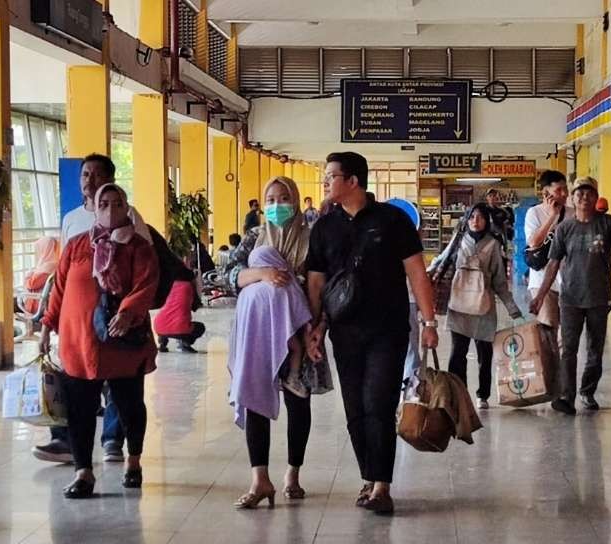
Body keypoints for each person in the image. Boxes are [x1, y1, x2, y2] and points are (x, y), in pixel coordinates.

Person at [305, 152, 438, 515]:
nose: (326, 182)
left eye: (331, 176)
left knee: (378, 404)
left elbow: (417, 273)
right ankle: (369, 475)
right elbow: (315, 283)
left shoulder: (392, 220)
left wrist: (428, 323)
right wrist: (313, 328)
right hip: (344, 334)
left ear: (353, 181)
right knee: (354, 410)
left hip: (388, 330)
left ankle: (382, 485)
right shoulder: (323, 227)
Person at [40, 184, 159, 497]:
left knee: (129, 406)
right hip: (79, 343)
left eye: (117, 203)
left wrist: (129, 311)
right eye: (103, 203)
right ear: (93, 206)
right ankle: (84, 472)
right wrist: (46, 326)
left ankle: (133, 461)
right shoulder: (78, 245)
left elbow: (147, 283)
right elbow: (60, 289)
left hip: (121, 342)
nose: (110, 209)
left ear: (126, 208)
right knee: (79, 410)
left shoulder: (137, 246)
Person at [224, 176, 333, 509]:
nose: (275, 205)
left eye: (283, 198)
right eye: (269, 199)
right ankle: (260, 479)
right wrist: (262, 275)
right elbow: (226, 276)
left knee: (298, 404)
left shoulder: (313, 240)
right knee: (255, 400)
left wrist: (319, 327)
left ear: (297, 200)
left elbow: (324, 288)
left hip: (301, 333)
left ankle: (292, 474)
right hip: (259, 334)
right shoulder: (254, 238)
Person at [32, 153, 129, 465]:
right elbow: (62, 276)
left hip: (113, 316)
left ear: (110, 180)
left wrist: (130, 309)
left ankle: (113, 439)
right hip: (77, 321)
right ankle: (67, 442)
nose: (89, 180)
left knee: (115, 380)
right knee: (75, 382)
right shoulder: (72, 220)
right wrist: (48, 323)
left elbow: (143, 266)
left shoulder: (129, 217)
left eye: (96, 175)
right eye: (85, 174)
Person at [530, 177, 611, 416]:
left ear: (596, 198)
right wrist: (541, 295)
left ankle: (587, 391)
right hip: (570, 298)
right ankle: (566, 396)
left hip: (599, 298)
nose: (584, 197)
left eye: (589, 193)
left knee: (595, 349)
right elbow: (553, 264)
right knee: (569, 349)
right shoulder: (565, 228)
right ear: (572, 199)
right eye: (579, 194)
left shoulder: (608, 223)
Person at [428, 203, 522, 409]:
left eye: (480, 217)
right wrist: (422, 275)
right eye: (472, 217)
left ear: (487, 220)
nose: (475, 221)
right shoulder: (459, 240)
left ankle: (483, 395)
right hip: (459, 306)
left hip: (484, 307)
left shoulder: (494, 245)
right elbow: (441, 260)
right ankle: (457, 394)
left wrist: (512, 308)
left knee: (484, 353)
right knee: (457, 354)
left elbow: (499, 281)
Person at [524, 170, 568, 369]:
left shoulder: (573, 213)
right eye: (559, 190)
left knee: (565, 335)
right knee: (548, 332)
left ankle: (563, 377)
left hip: (568, 283)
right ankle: (550, 378)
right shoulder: (534, 213)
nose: (564, 194)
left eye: (566, 189)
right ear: (546, 193)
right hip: (542, 282)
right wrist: (552, 217)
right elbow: (533, 242)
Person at [154, 274, 205, 353]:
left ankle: (162, 344)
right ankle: (185, 344)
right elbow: (195, 307)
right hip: (180, 327)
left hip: (158, 325)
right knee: (200, 327)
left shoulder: (168, 285)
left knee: (165, 321)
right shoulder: (189, 285)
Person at [21, 237, 60, 314]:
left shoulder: (48, 267)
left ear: (45, 250)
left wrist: (27, 277)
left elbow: (32, 284)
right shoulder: (53, 264)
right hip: (45, 304)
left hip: (37, 306)